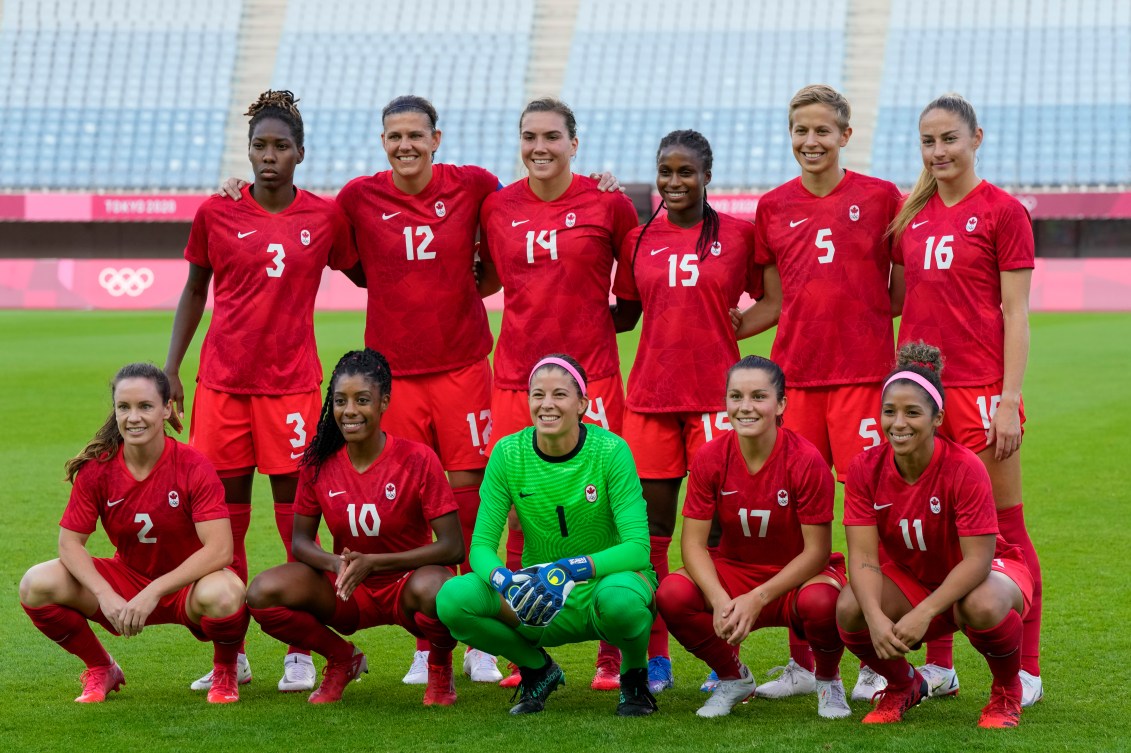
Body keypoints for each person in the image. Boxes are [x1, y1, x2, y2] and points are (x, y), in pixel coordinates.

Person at [219, 95, 623, 687]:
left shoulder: (476, 187)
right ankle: (423, 642)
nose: (405, 145)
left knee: (469, 500)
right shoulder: (358, 197)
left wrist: (595, 182)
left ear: (438, 138)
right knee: (402, 505)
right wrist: (241, 188)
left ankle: (477, 639)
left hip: (463, 368)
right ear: (383, 142)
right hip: (395, 376)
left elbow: (535, 203)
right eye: (394, 136)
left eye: (416, 135)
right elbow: (337, 249)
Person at [164, 90, 357, 693]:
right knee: (225, 526)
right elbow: (195, 291)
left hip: (292, 390)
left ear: (301, 153)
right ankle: (234, 652)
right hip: (222, 387)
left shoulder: (324, 218)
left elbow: (369, 268)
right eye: (259, 146)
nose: (268, 156)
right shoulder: (216, 212)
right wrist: (173, 369)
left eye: (280, 146)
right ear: (247, 152)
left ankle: (299, 649)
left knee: (296, 524)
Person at [733, 84, 901, 702]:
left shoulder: (882, 198)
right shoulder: (772, 207)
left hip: (862, 379)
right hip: (796, 381)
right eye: (801, 130)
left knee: (871, 518)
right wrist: (715, 329)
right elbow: (772, 302)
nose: (811, 141)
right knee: (791, 520)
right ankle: (802, 661)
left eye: (823, 130)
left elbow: (903, 290)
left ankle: (872, 653)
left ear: (846, 136)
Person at [477, 97, 641, 689]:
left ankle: (610, 650)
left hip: (592, 377)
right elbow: (481, 275)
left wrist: (598, 330)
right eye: (529, 137)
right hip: (516, 377)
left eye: (551, 136)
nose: (539, 147)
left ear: (575, 142)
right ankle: (529, 654)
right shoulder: (496, 206)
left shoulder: (609, 203)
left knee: (602, 510)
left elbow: (635, 290)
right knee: (521, 512)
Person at [888, 93, 1043, 706]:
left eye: (949, 138)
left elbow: (1017, 312)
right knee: (930, 532)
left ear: (977, 137)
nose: (939, 151)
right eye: (928, 141)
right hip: (920, 397)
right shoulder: (910, 216)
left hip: (981, 393)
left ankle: (1026, 669)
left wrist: (1009, 400)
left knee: (1006, 530)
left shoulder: (1004, 212)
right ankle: (942, 666)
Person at [611, 130, 761, 693]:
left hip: (717, 404)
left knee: (718, 534)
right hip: (649, 399)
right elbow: (624, 315)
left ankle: (726, 660)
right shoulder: (637, 239)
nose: (674, 183)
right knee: (650, 533)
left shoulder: (739, 237)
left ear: (707, 175)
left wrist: (739, 327)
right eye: (665, 172)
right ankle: (656, 658)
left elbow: (773, 296)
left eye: (686, 172)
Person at [435, 355, 658, 717]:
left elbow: (637, 549)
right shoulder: (508, 454)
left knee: (622, 602)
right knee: (453, 599)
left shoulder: (611, 451)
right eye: (538, 394)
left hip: (603, 585)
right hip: (538, 594)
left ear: (582, 404)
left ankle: (634, 678)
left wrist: (572, 569)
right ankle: (538, 669)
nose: (547, 404)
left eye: (559, 394)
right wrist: (505, 581)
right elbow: (480, 547)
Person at [19, 363, 248, 704]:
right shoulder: (98, 469)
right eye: (124, 407)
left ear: (166, 409)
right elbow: (69, 543)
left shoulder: (193, 465)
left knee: (227, 593)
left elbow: (220, 551)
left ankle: (226, 670)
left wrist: (155, 591)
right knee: (36, 583)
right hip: (126, 578)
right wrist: (105, 593)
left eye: (145, 406)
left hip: (187, 586)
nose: (134, 417)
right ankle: (101, 667)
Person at [246, 349, 463, 705]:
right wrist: (335, 564)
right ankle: (341, 658)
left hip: (406, 585)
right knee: (262, 592)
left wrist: (376, 563)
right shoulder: (318, 464)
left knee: (440, 588)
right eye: (340, 401)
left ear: (383, 403)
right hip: (349, 588)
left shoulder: (418, 458)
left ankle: (440, 668)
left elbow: (453, 547)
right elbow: (300, 541)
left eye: (362, 400)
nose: (350, 411)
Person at [836, 343, 1033, 728]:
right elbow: (862, 558)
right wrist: (876, 618)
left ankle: (1007, 692)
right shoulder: (864, 467)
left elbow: (977, 560)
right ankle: (904, 684)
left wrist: (923, 614)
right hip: (916, 577)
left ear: (937, 416)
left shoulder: (965, 466)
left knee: (982, 604)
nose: (898, 423)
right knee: (850, 607)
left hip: (986, 572)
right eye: (889, 412)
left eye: (913, 412)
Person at [656, 355, 850, 719]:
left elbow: (817, 551)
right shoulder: (711, 456)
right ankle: (733, 677)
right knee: (672, 594)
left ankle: (827, 680)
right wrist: (717, 597)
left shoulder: (806, 460)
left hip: (797, 576)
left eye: (759, 396)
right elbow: (694, 543)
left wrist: (757, 597)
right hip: (736, 570)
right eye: (736, 397)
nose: (745, 407)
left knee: (823, 603)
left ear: (781, 405)